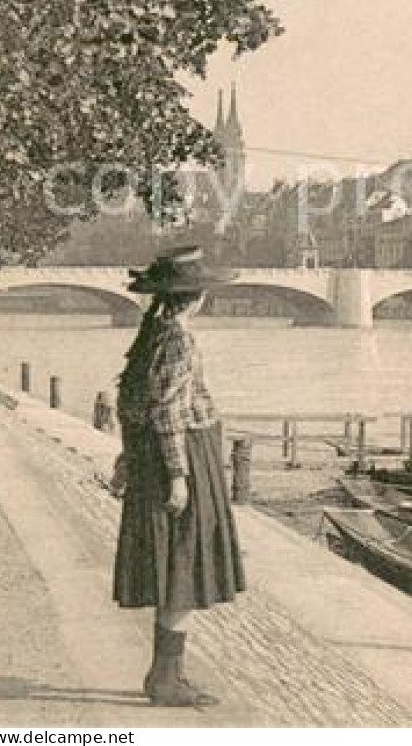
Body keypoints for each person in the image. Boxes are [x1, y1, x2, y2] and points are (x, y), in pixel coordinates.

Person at [113, 247, 244, 708]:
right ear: (197, 296)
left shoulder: (151, 335)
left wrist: (128, 460)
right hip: (185, 454)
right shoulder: (178, 340)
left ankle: (164, 673)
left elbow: (132, 405)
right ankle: (165, 679)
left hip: (160, 456)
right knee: (183, 563)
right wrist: (179, 476)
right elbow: (167, 413)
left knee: (173, 563)